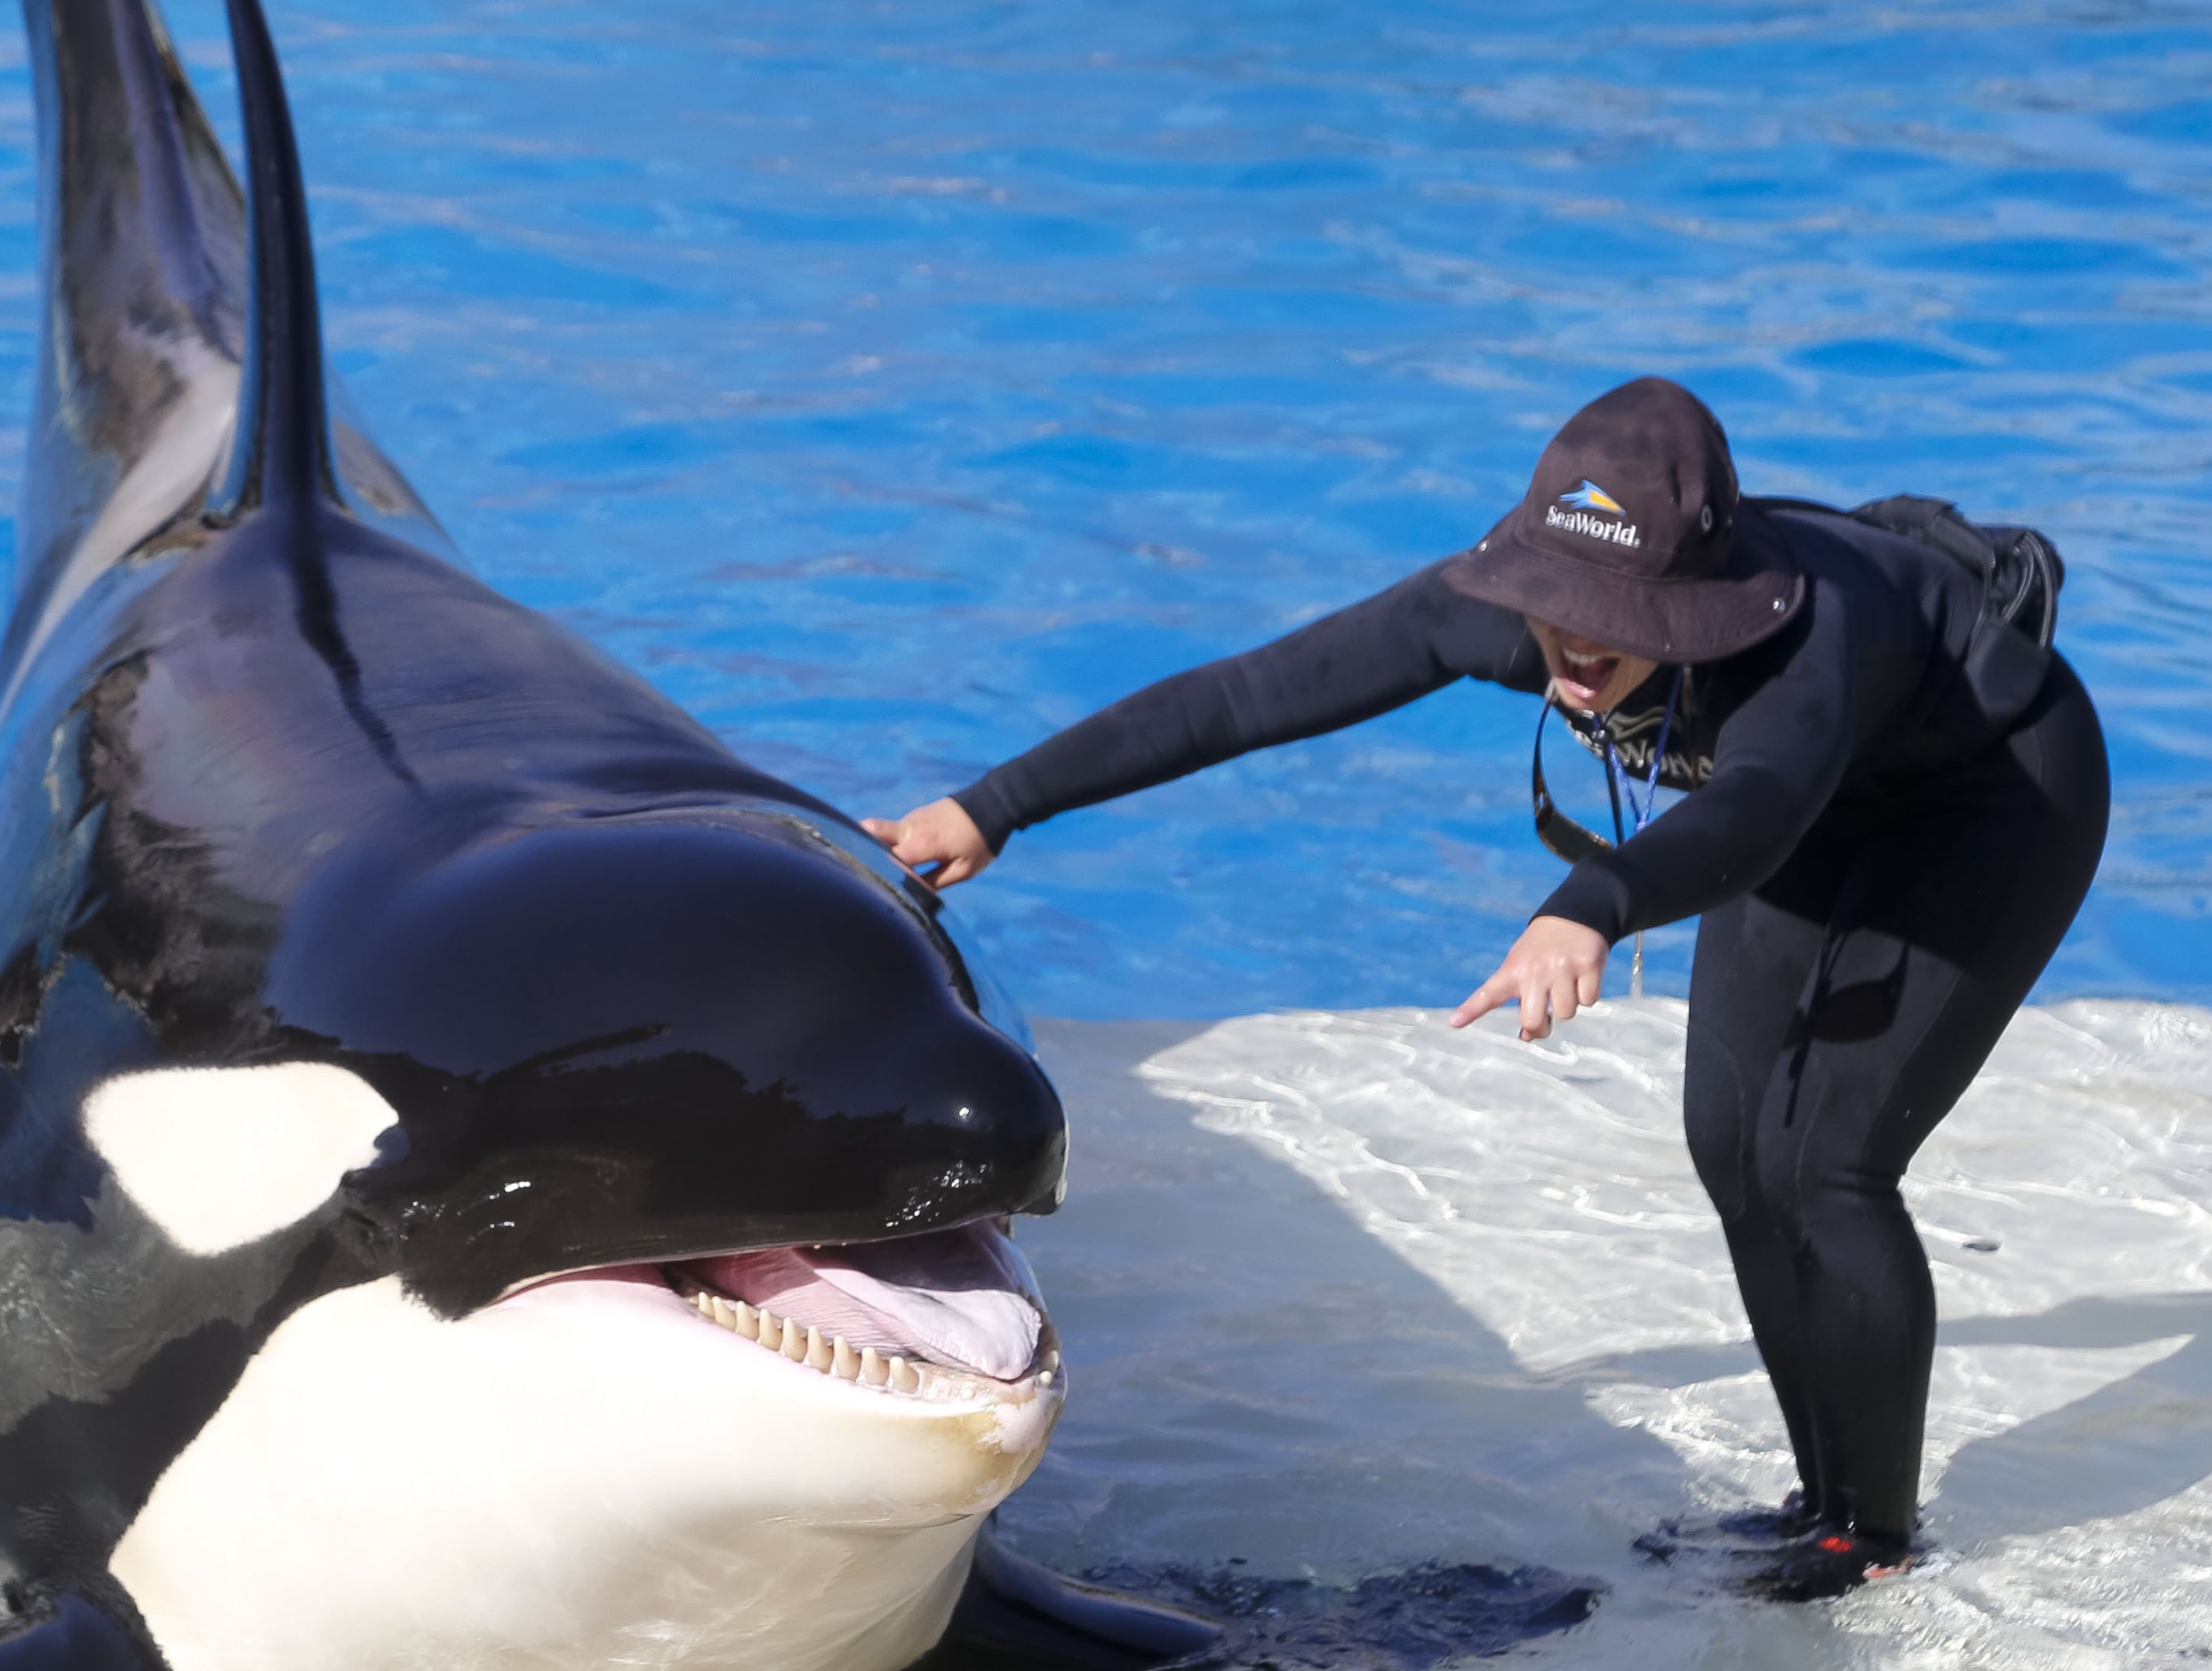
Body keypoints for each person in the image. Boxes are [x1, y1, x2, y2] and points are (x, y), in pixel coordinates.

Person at [864, 378, 2108, 1601]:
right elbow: (1250, 693)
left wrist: (1591, 903)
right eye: (1560, 600)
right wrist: (996, 805)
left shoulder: (1806, 644)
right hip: (1797, 811)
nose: (1575, 638)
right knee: (1735, 1147)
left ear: (1695, 601)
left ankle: (1870, 1536)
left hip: (1988, 798)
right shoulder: (1512, 617)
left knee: (1827, 1164)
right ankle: (1814, 1500)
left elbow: (1761, 803)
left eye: (1616, 611)